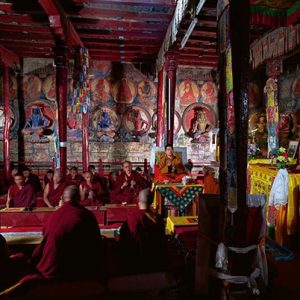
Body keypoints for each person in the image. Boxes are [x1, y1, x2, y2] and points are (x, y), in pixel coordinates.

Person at [31, 185, 103, 280]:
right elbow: (95, 238)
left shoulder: (54, 215)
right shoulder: (86, 214)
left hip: (51, 261)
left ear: (63, 198)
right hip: (73, 262)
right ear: (79, 198)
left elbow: (45, 234)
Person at [118, 188, 166, 274]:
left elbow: (125, 239)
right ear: (152, 201)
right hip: (155, 259)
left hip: (134, 261)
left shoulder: (132, 216)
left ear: (137, 200)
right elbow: (162, 240)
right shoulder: (158, 218)